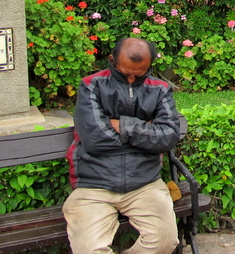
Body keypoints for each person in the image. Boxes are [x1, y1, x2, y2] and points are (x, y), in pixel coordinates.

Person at [63, 37, 182, 254]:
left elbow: (168, 136)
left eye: (139, 74)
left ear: (149, 66)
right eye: (125, 72)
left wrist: (122, 125)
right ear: (111, 60)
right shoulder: (91, 85)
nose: (131, 79)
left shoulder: (160, 90)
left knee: (165, 242)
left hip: (145, 183)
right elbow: (95, 140)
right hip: (94, 185)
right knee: (89, 249)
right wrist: (146, 133)